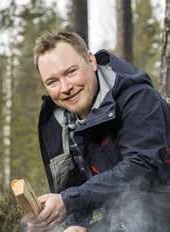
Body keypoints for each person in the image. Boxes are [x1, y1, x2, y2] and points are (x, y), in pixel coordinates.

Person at [27, 31, 170, 232]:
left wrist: (68, 202)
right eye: (52, 82)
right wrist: (76, 223)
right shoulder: (57, 119)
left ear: (91, 61)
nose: (65, 87)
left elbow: (142, 166)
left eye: (71, 72)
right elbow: (70, 183)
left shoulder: (137, 97)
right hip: (121, 219)